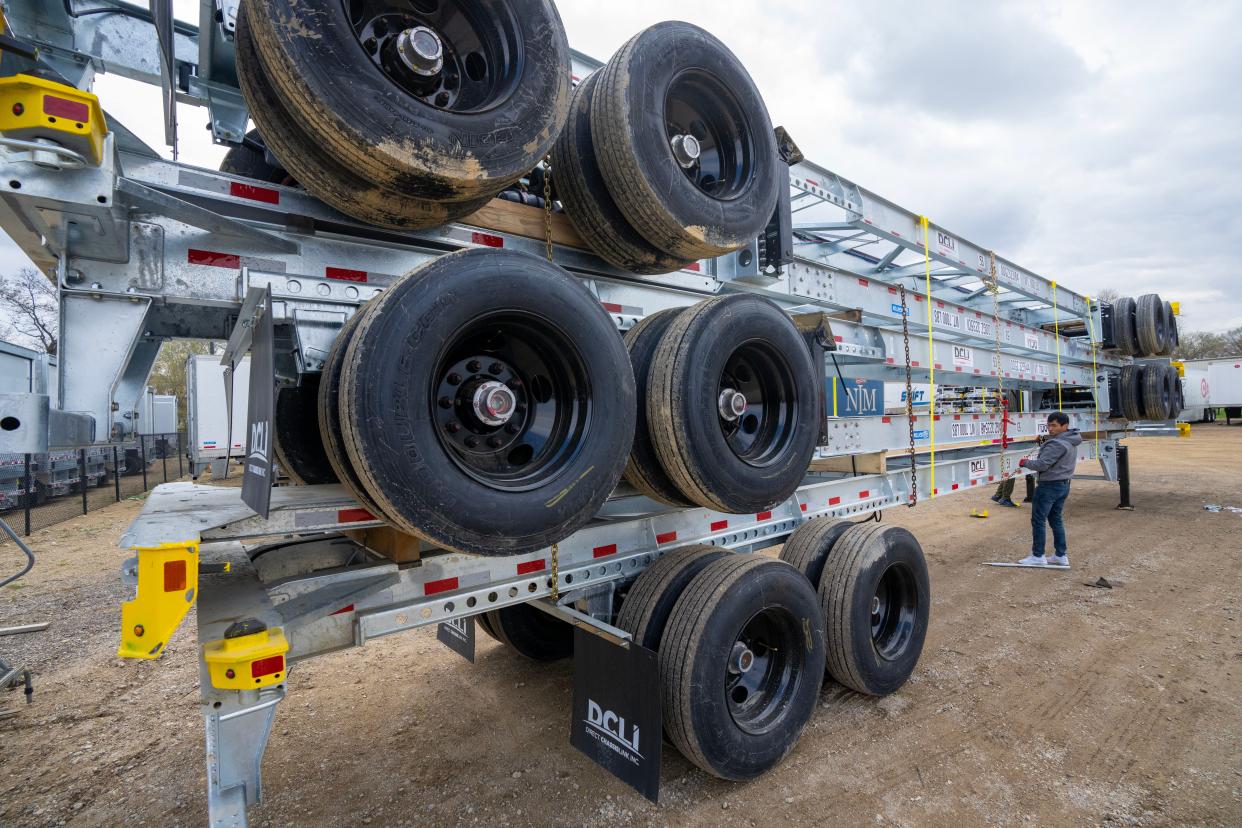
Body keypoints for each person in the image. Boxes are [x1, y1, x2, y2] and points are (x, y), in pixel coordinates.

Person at [1015, 412, 1082, 567]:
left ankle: (1038, 556)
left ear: (1065, 426)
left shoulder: (1057, 444)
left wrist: (1025, 462)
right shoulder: (1071, 440)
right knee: (1055, 519)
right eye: (1048, 425)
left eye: (1054, 426)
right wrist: (1044, 444)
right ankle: (1060, 555)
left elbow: (1042, 464)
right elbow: (1053, 455)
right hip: (1063, 485)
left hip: (1049, 486)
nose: (1050, 429)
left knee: (1038, 520)